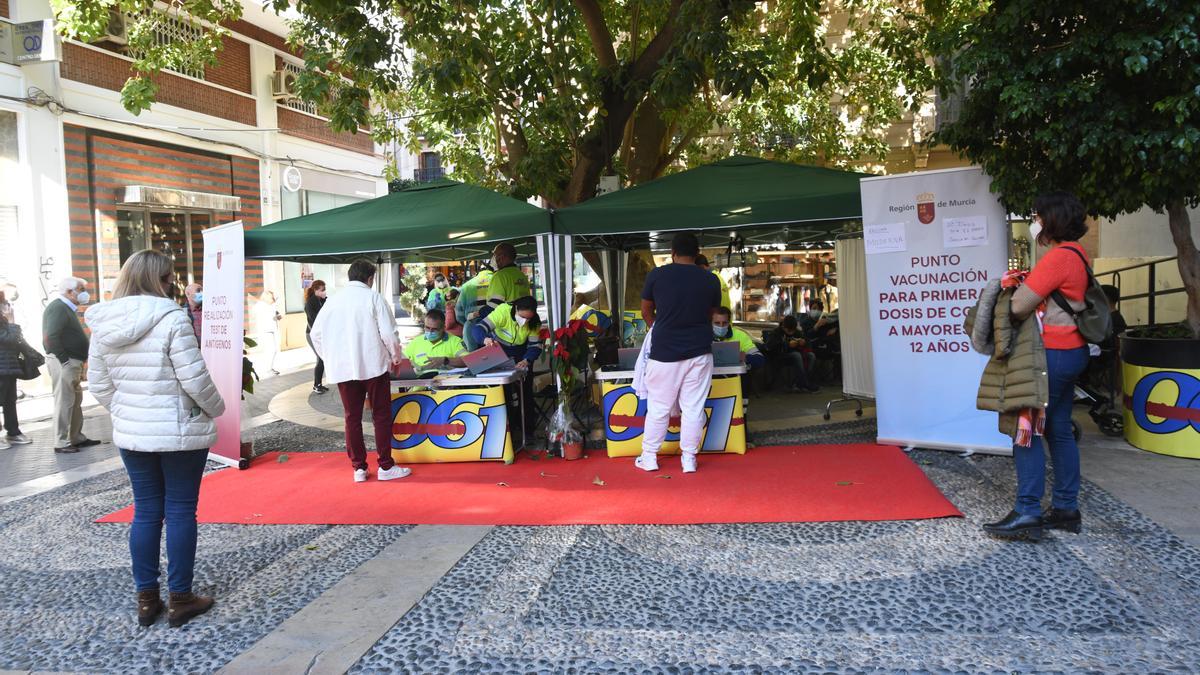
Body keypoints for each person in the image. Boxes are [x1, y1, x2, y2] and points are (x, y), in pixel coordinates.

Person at [85, 249, 225, 628]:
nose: (172, 284)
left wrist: (128, 412)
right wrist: (216, 408)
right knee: (180, 510)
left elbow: (98, 383)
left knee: (146, 511)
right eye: (169, 278)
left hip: (133, 434)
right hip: (180, 433)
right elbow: (195, 379)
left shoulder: (103, 322)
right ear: (160, 280)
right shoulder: (172, 318)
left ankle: (146, 599)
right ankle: (181, 598)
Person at [984, 191, 1092, 540]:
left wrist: (1013, 285)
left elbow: (1019, 305)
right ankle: (1065, 509)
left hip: (1051, 354)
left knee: (1025, 429)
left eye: (1039, 217)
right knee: (1059, 429)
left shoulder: (1059, 257)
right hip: (1072, 351)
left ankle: (1028, 512)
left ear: (1052, 219)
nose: (1036, 223)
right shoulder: (1078, 254)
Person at [310, 260, 412, 484]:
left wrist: (331, 358)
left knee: (352, 418)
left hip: (344, 368)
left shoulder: (332, 301)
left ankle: (359, 468)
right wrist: (396, 357)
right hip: (373, 364)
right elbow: (389, 332)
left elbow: (315, 334)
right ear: (370, 278)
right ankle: (385, 465)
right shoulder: (373, 297)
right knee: (381, 415)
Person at [637, 232, 721, 474]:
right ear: (697, 253)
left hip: (664, 352)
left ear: (672, 252)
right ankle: (689, 459)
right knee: (693, 408)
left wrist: (660, 328)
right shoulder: (710, 279)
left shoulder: (658, 275)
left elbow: (645, 310)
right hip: (700, 351)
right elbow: (712, 312)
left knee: (659, 407)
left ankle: (650, 457)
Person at [43, 276, 99, 453]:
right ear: (69, 292)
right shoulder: (58, 307)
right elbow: (51, 336)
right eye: (81, 290)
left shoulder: (65, 308)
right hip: (64, 362)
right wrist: (64, 360)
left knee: (74, 401)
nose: (84, 294)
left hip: (72, 362)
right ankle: (61, 442)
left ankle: (76, 437)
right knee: (65, 401)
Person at [471, 295, 542, 434]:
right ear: (515, 308)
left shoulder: (535, 322)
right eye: (522, 317)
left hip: (521, 353)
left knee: (525, 391)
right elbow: (478, 329)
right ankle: (505, 430)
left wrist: (527, 359)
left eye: (528, 318)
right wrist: (485, 339)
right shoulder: (503, 310)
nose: (525, 321)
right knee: (502, 391)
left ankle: (526, 431)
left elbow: (535, 346)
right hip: (498, 349)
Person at [0, 291, 34, 448]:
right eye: (5, 304)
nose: (8, 307)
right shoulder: (6, 321)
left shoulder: (3, 321)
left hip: (9, 367)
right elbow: (9, 338)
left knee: (10, 401)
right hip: (3, 367)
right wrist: (11, 321)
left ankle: (13, 432)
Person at [764, 315, 819, 393]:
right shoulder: (776, 332)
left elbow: (808, 342)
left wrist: (803, 343)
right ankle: (804, 383)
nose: (791, 333)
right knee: (796, 355)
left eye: (793, 331)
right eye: (789, 331)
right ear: (784, 326)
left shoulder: (796, 332)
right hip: (780, 356)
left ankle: (805, 381)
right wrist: (787, 344)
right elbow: (770, 347)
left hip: (796, 355)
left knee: (811, 355)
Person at [485, 243, 532, 311]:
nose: (493, 258)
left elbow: (494, 306)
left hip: (505, 320)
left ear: (502, 256)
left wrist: (478, 314)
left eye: (495, 254)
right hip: (522, 320)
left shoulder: (499, 276)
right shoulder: (522, 275)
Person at [458, 265, 494, 349]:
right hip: (496, 329)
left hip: (471, 329)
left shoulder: (467, 285)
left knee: (474, 359)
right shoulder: (500, 282)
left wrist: (468, 321)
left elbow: (459, 312)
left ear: (478, 272)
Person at [304, 280, 328, 394]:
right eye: (322, 290)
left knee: (322, 359)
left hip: (320, 334)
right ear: (315, 290)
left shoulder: (321, 300)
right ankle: (316, 385)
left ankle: (318, 384)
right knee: (321, 358)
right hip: (312, 334)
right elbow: (314, 320)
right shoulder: (310, 303)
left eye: (324, 289)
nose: (324, 292)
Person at [251, 290, 281, 375]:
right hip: (266, 331)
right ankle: (268, 369)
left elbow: (274, 315)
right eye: (271, 297)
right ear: (266, 297)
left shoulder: (269, 305)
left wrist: (277, 316)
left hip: (271, 330)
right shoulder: (260, 306)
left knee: (272, 350)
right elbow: (268, 317)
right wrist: (275, 316)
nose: (273, 298)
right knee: (272, 350)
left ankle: (269, 368)